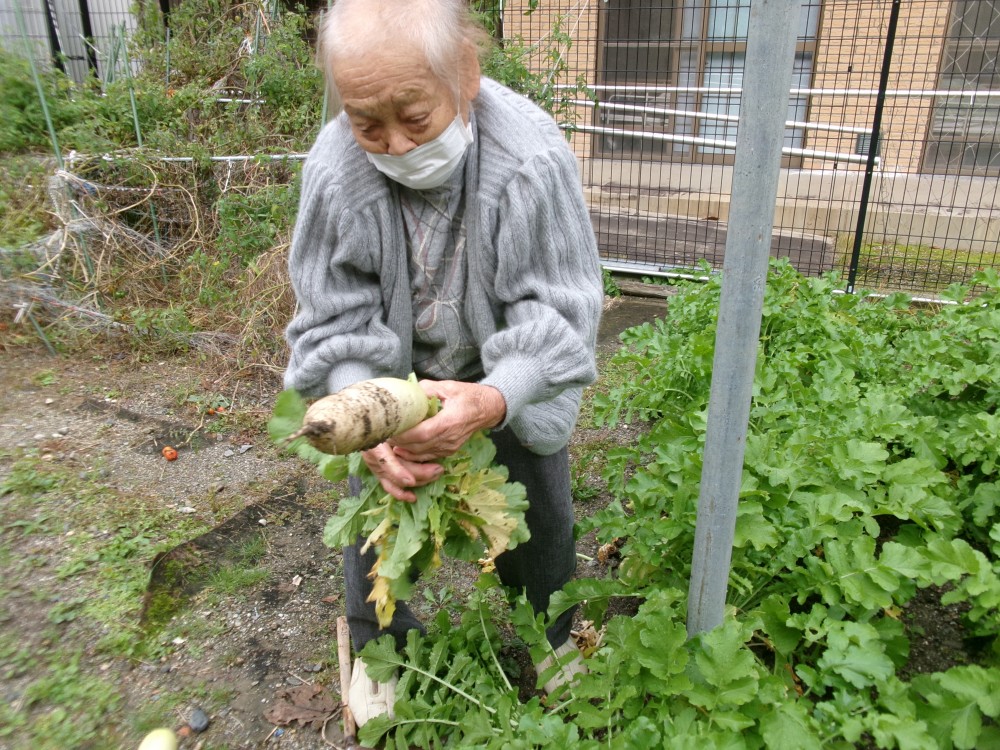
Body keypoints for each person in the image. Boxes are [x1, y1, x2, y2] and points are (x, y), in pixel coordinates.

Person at [282, 0, 603, 726]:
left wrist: (495, 399)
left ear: (465, 72)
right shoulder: (337, 174)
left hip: (501, 372)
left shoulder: (530, 159)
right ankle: (379, 646)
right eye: (368, 123)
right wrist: (365, 416)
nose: (392, 144)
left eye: (413, 117)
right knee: (377, 515)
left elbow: (558, 312)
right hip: (393, 373)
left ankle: (555, 633)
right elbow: (334, 313)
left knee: (541, 512)